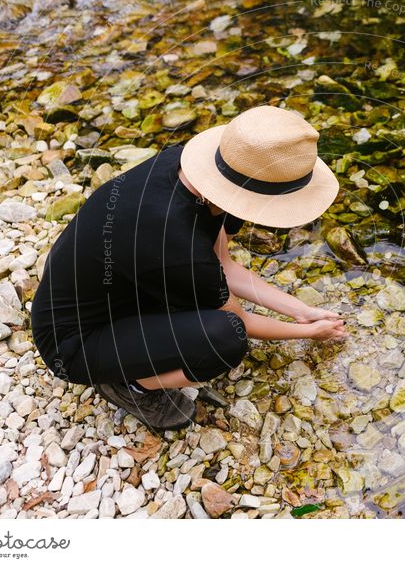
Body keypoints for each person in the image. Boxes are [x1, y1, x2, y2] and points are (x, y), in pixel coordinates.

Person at [30, 105, 347, 433]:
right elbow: (239, 320)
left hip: (115, 294)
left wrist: (302, 310)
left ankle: (135, 358)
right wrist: (308, 332)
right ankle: (131, 386)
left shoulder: (194, 170)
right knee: (226, 340)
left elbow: (224, 265)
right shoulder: (175, 242)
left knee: (208, 308)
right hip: (72, 343)